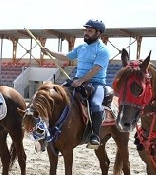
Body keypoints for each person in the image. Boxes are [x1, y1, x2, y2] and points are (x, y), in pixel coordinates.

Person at [42, 19, 110, 149]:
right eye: (85, 30)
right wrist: (50, 52)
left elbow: (95, 69)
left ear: (98, 33)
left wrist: (80, 81)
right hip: (77, 81)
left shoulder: (103, 50)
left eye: (89, 31)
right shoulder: (82, 47)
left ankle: (95, 135)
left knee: (96, 105)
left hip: (96, 84)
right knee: (55, 97)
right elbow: (67, 56)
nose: (86, 33)